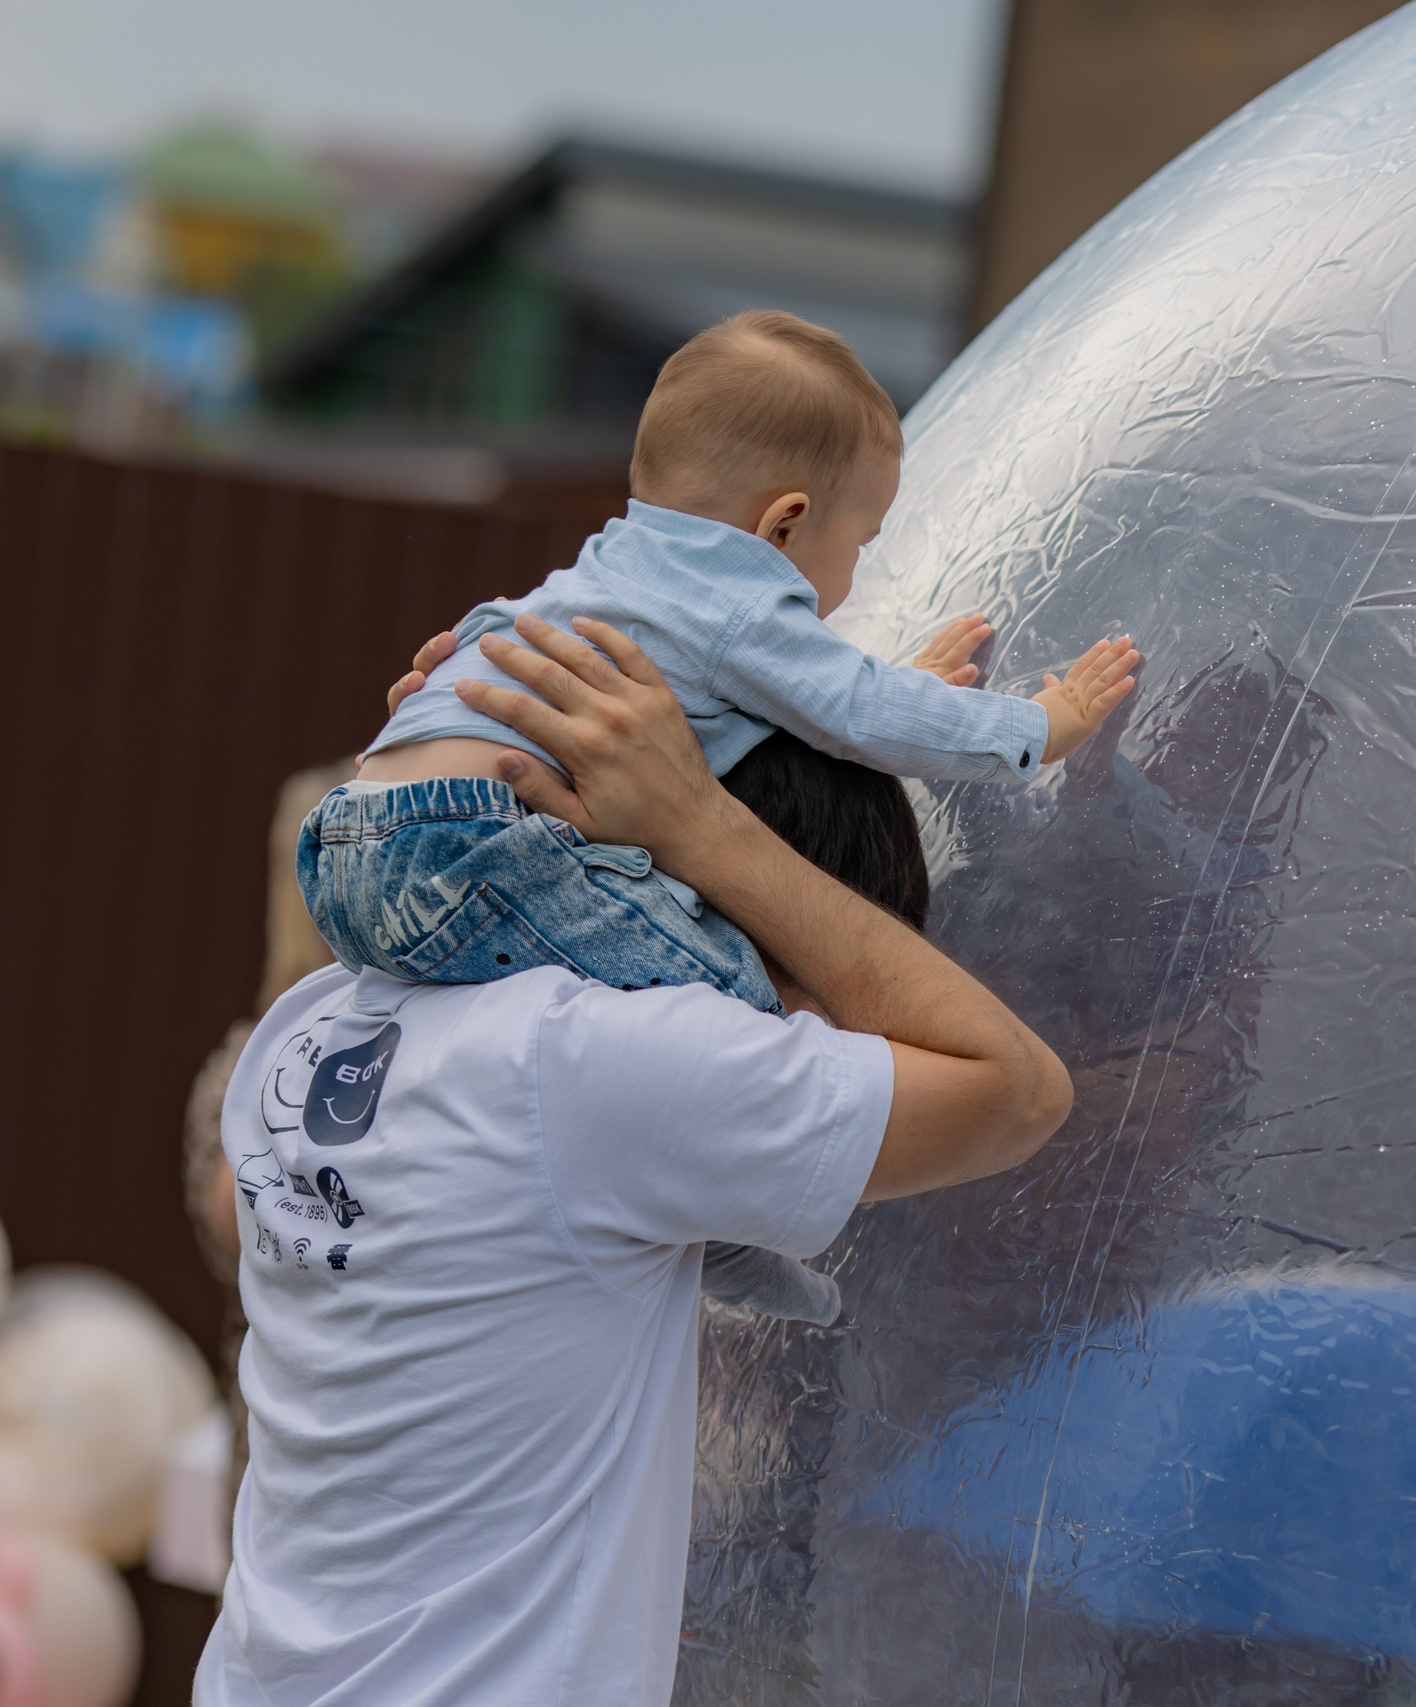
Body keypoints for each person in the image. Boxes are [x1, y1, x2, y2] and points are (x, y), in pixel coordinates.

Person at [197, 613, 1073, 1707]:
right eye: (812, 1000)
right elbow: (1016, 1090)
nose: (820, 1037)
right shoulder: (593, 1068)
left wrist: (822, 732)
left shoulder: (317, 1021)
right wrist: (709, 828)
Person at [295, 309, 1137, 1320]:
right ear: (783, 523)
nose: (853, 576)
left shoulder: (615, 569)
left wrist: (877, 699)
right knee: (727, 990)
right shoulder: (740, 598)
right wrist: (1037, 725)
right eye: (860, 542)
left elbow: (813, 703)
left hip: (351, 828)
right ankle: (731, 1217)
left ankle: (714, 1215)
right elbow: (849, 702)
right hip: (467, 846)